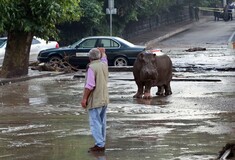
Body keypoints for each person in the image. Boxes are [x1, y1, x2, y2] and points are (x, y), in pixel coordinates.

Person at [81, 47, 109, 152]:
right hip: (104, 99)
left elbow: (90, 86)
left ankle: (100, 144)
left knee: (95, 122)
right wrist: (103, 53)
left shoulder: (91, 67)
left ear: (89, 58)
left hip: (95, 100)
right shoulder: (104, 65)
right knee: (102, 122)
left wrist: (84, 99)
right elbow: (104, 59)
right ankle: (101, 142)